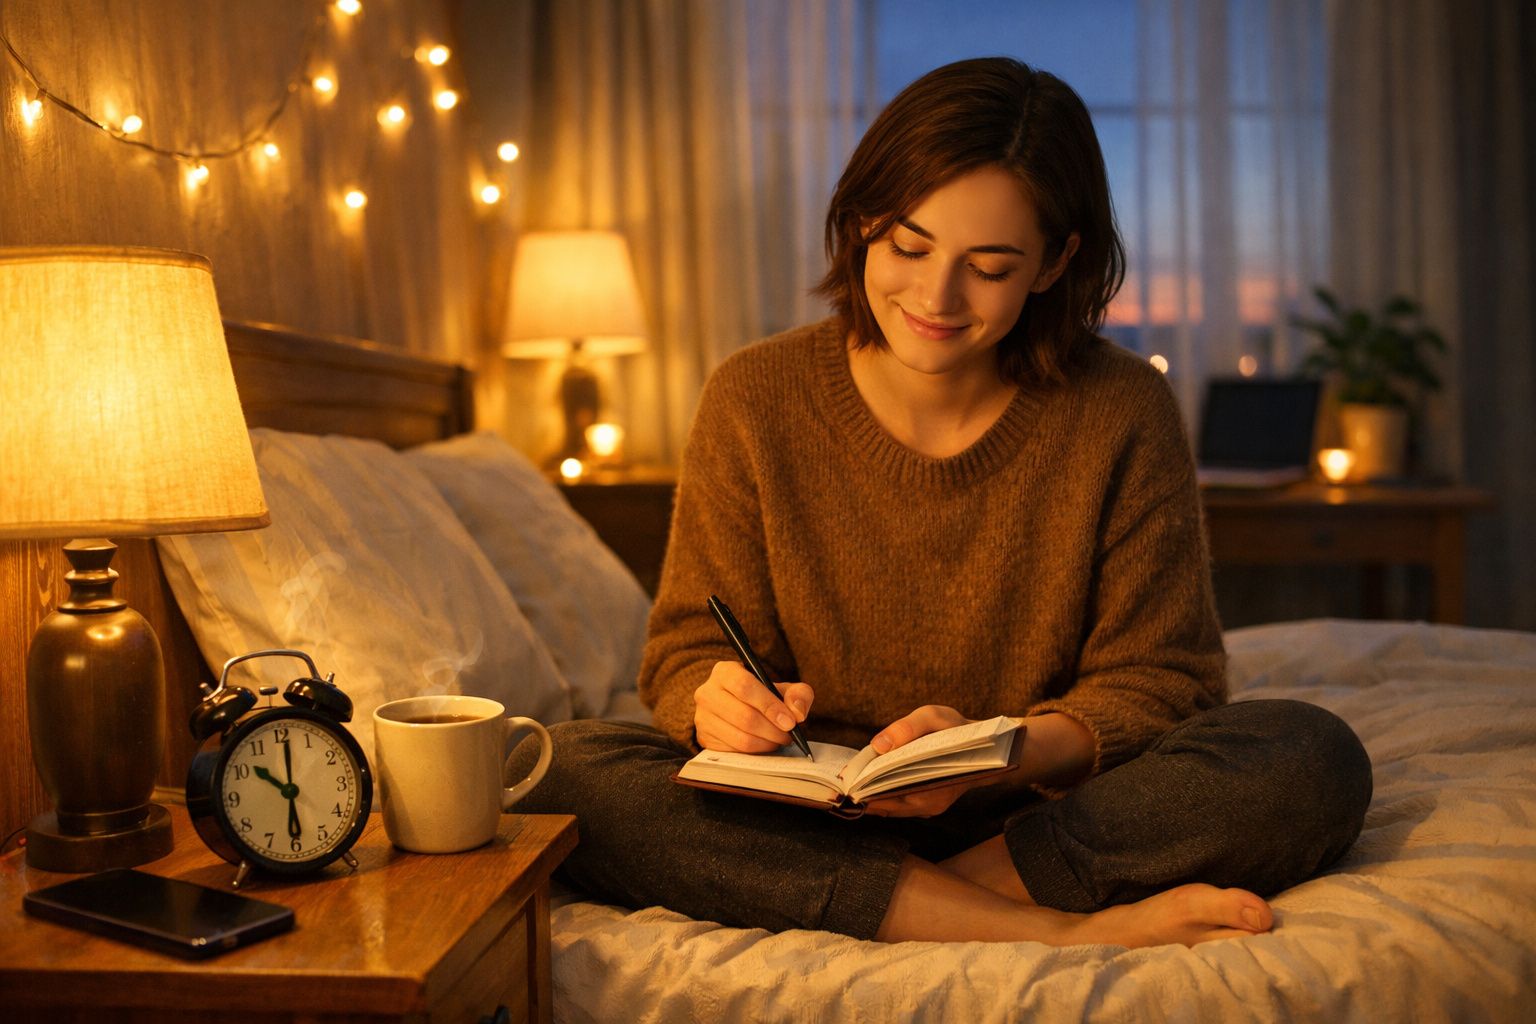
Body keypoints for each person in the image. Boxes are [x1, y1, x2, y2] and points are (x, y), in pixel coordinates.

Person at [511, 56, 1372, 947]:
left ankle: (913, 903)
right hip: (800, 814)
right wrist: (713, 703)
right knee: (559, 767)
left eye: (989, 268)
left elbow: (1166, 682)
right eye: (908, 248)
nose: (935, 297)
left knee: (1309, 756)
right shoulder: (753, 396)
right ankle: (1046, 930)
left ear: (1055, 263)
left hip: (1025, 817)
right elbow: (687, 648)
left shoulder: (1120, 409)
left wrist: (996, 753)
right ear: (861, 224)